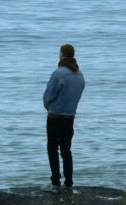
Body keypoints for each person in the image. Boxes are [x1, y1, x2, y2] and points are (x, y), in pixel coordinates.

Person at [43, 44, 85, 189]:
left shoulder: (58, 73)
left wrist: (49, 106)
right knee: (66, 150)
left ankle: (55, 182)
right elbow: (77, 96)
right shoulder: (79, 75)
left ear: (62, 55)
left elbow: (48, 96)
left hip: (55, 117)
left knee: (52, 149)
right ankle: (69, 182)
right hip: (70, 118)